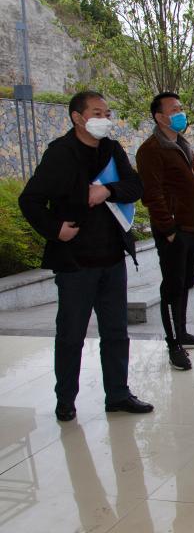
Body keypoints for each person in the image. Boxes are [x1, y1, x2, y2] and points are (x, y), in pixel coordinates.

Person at [19, 90, 154, 423]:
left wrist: (107, 190)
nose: (104, 120)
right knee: (71, 335)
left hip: (112, 257)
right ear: (78, 118)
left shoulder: (111, 150)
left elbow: (135, 187)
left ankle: (118, 394)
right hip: (76, 262)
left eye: (107, 113)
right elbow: (30, 200)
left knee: (116, 332)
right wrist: (55, 229)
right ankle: (65, 400)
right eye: (97, 113)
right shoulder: (61, 153)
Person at [136, 92, 194, 372]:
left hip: (193, 227)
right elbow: (152, 194)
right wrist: (168, 228)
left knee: (186, 282)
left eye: (181, 108)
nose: (180, 113)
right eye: (174, 109)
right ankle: (174, 344)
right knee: (172, 286)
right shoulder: (151, 149)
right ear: (159, 117)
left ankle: (182, 332)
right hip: (175, 231)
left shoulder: (181, 144)